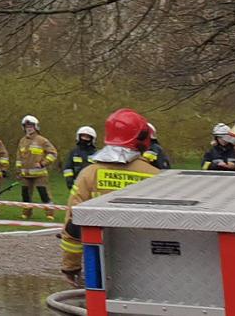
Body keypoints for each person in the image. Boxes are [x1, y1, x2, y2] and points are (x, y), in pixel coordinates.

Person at [61, 109, 162, 284]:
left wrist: (71, 267)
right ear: (142, 138)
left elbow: (73, 225)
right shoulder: (155, 176)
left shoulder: (89, 174)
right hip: (149, 263)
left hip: (100, 263)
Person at [15, 115, 58, 221]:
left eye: (31, 126)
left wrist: (43, 163)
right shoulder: (22, 141)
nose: (29, 128)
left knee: (44, 193)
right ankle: (27, 213)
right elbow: (19, 157)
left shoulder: (42, 140)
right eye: (27, 126)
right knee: (25, 194)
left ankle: (50, 213)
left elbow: (53, 153)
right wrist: (18, 170)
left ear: (36, 127)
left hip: (40, 174)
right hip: (25, 174)